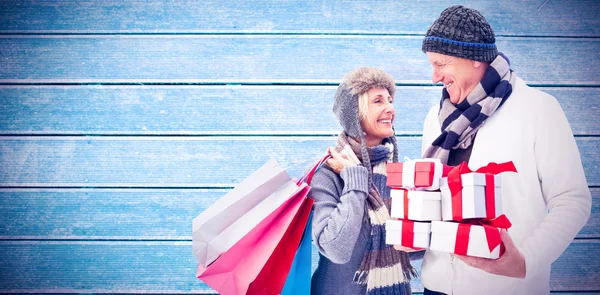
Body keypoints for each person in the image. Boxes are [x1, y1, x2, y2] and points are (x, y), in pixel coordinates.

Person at [417, 5, 592, 295]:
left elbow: (572, 201)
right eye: (431, 64)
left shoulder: (537, 109)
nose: (434, 76)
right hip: (435, 287)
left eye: (442, 63)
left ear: (474, 59)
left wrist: (526, 261)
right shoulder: (436, 117)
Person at [309, 67, 417, 295]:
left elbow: (412, 251)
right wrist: (356, 180)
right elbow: (335, 249)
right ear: (355, 115)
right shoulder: (327, 175)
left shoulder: (399, 173)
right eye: (378, 101)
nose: (390, 108)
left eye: (389, 99)